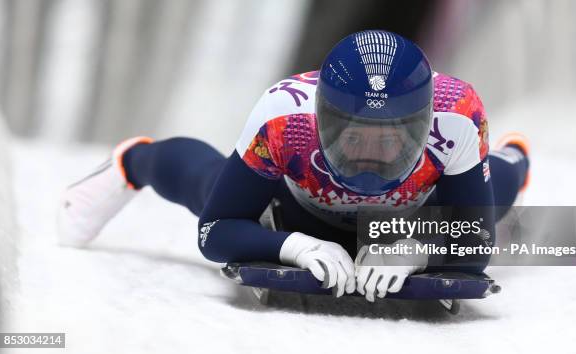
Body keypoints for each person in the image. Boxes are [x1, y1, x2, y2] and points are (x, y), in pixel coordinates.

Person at [58, 30, 530, 302]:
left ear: (425, 124)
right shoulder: (283, 115)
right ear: (320, 116)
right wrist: (293, 245)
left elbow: (478, 241)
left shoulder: (459, 114)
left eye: (390, 140)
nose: (368, 158)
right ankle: (132, 161)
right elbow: (214, 230)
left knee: (498, 186)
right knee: (207, 182)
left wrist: (415, 247)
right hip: (302, 206)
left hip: (410, 212)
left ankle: (513, 159)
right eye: (354, 136)